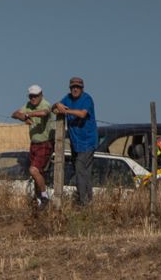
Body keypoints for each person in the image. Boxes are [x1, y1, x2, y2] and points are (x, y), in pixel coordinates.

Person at [52, 77, 97, 205]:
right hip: (75, 143)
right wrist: (57, 105)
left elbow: (82, 114)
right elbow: (54, 108)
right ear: (70, 88)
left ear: (82, 88)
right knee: (84, 173)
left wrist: (65, 110)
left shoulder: (87, 99)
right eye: (73, 87)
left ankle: (83, 202)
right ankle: (88, 202)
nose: (75, 89)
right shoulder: (67, 98)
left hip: (88, 141)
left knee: (80, 169)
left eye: (78, 87)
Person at [11, 84, 55, 206]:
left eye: (35, 96)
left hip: (45, 143)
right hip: (34, 143)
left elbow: (44, 113)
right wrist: (23, 116)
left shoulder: (45, 104)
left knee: (33, 170)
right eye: (31, 96)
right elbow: (14, 114)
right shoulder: (28, 105)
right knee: (38, 173)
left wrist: (29, 115)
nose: (33, 99)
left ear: (41, 95)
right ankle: (39, 199)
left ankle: (45, 197)